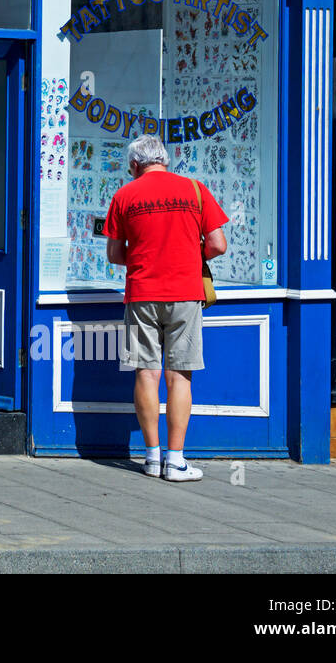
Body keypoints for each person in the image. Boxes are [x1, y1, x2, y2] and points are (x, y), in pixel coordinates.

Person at [104, 134, 227, 482]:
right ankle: (176, 462)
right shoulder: (195, 190)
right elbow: (218, 244)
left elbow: (114, 254)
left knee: (146, 372)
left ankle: (152, 457)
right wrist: (187, 255)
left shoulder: (124, 196)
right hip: (185, 294)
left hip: (142, 292)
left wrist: (147, 256)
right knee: (179, 375)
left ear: (134, 165)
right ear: (165, 160)